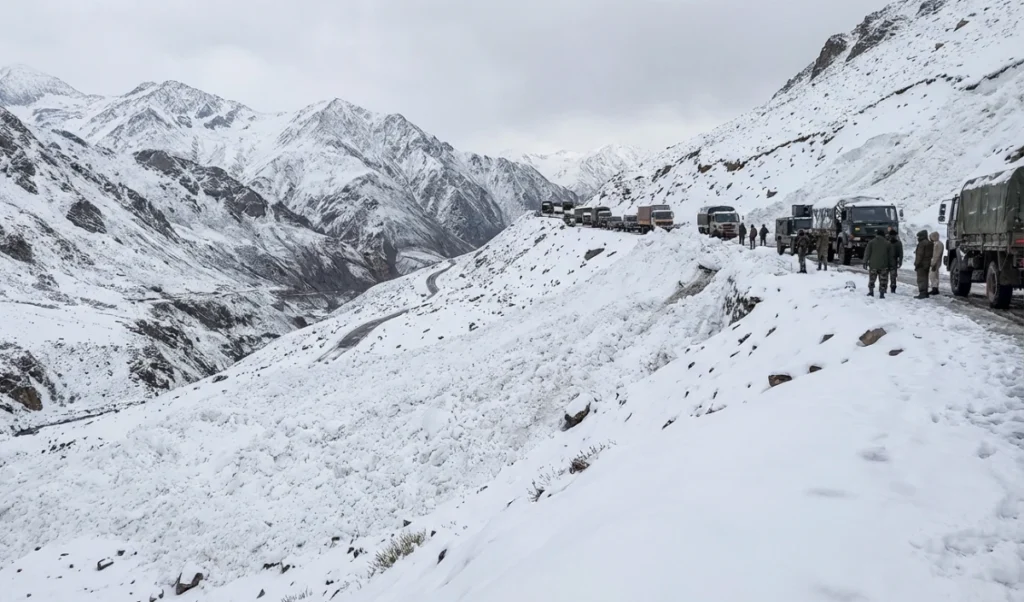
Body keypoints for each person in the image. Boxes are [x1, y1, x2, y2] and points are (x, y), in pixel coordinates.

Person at [863, 229, 894, 298]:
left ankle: (871, 292)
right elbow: (891, 256)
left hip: (873, 265)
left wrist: (865, 261)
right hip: (884, 265)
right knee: (883, 280)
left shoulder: (871, 242)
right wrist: (892, 265)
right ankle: (882, 294)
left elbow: (867, 253)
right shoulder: (888, 243)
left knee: (872, 279)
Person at [913, 229, 933, 299]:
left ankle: (922, 293)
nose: (918, 238)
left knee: (921, 279)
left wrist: (916, 263)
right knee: (925, 278)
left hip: (921, 264)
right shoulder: (929, 243)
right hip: (927, 263)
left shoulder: (922, 244)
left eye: (919, 236)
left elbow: (919, 255)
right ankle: (925, 292)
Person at [887, 228, 903, 294]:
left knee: (892, 276)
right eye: (892, 235)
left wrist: (900, 261)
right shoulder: (887, 242)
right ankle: (887, 287)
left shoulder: (897, 243)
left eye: (894, 235)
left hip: (892, 261)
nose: (893, 237)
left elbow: (900, 253)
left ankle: (892, 288)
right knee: (888, 276)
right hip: (889, 261)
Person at [929, 231, 944, 296]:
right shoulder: (937, 243)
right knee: (934, 275)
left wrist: (933, 263)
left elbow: (936, 254)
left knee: (933, 275)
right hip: (935, 261)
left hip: (935, 262)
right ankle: (935, 288)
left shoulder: (938, 244)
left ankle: (934, 288)